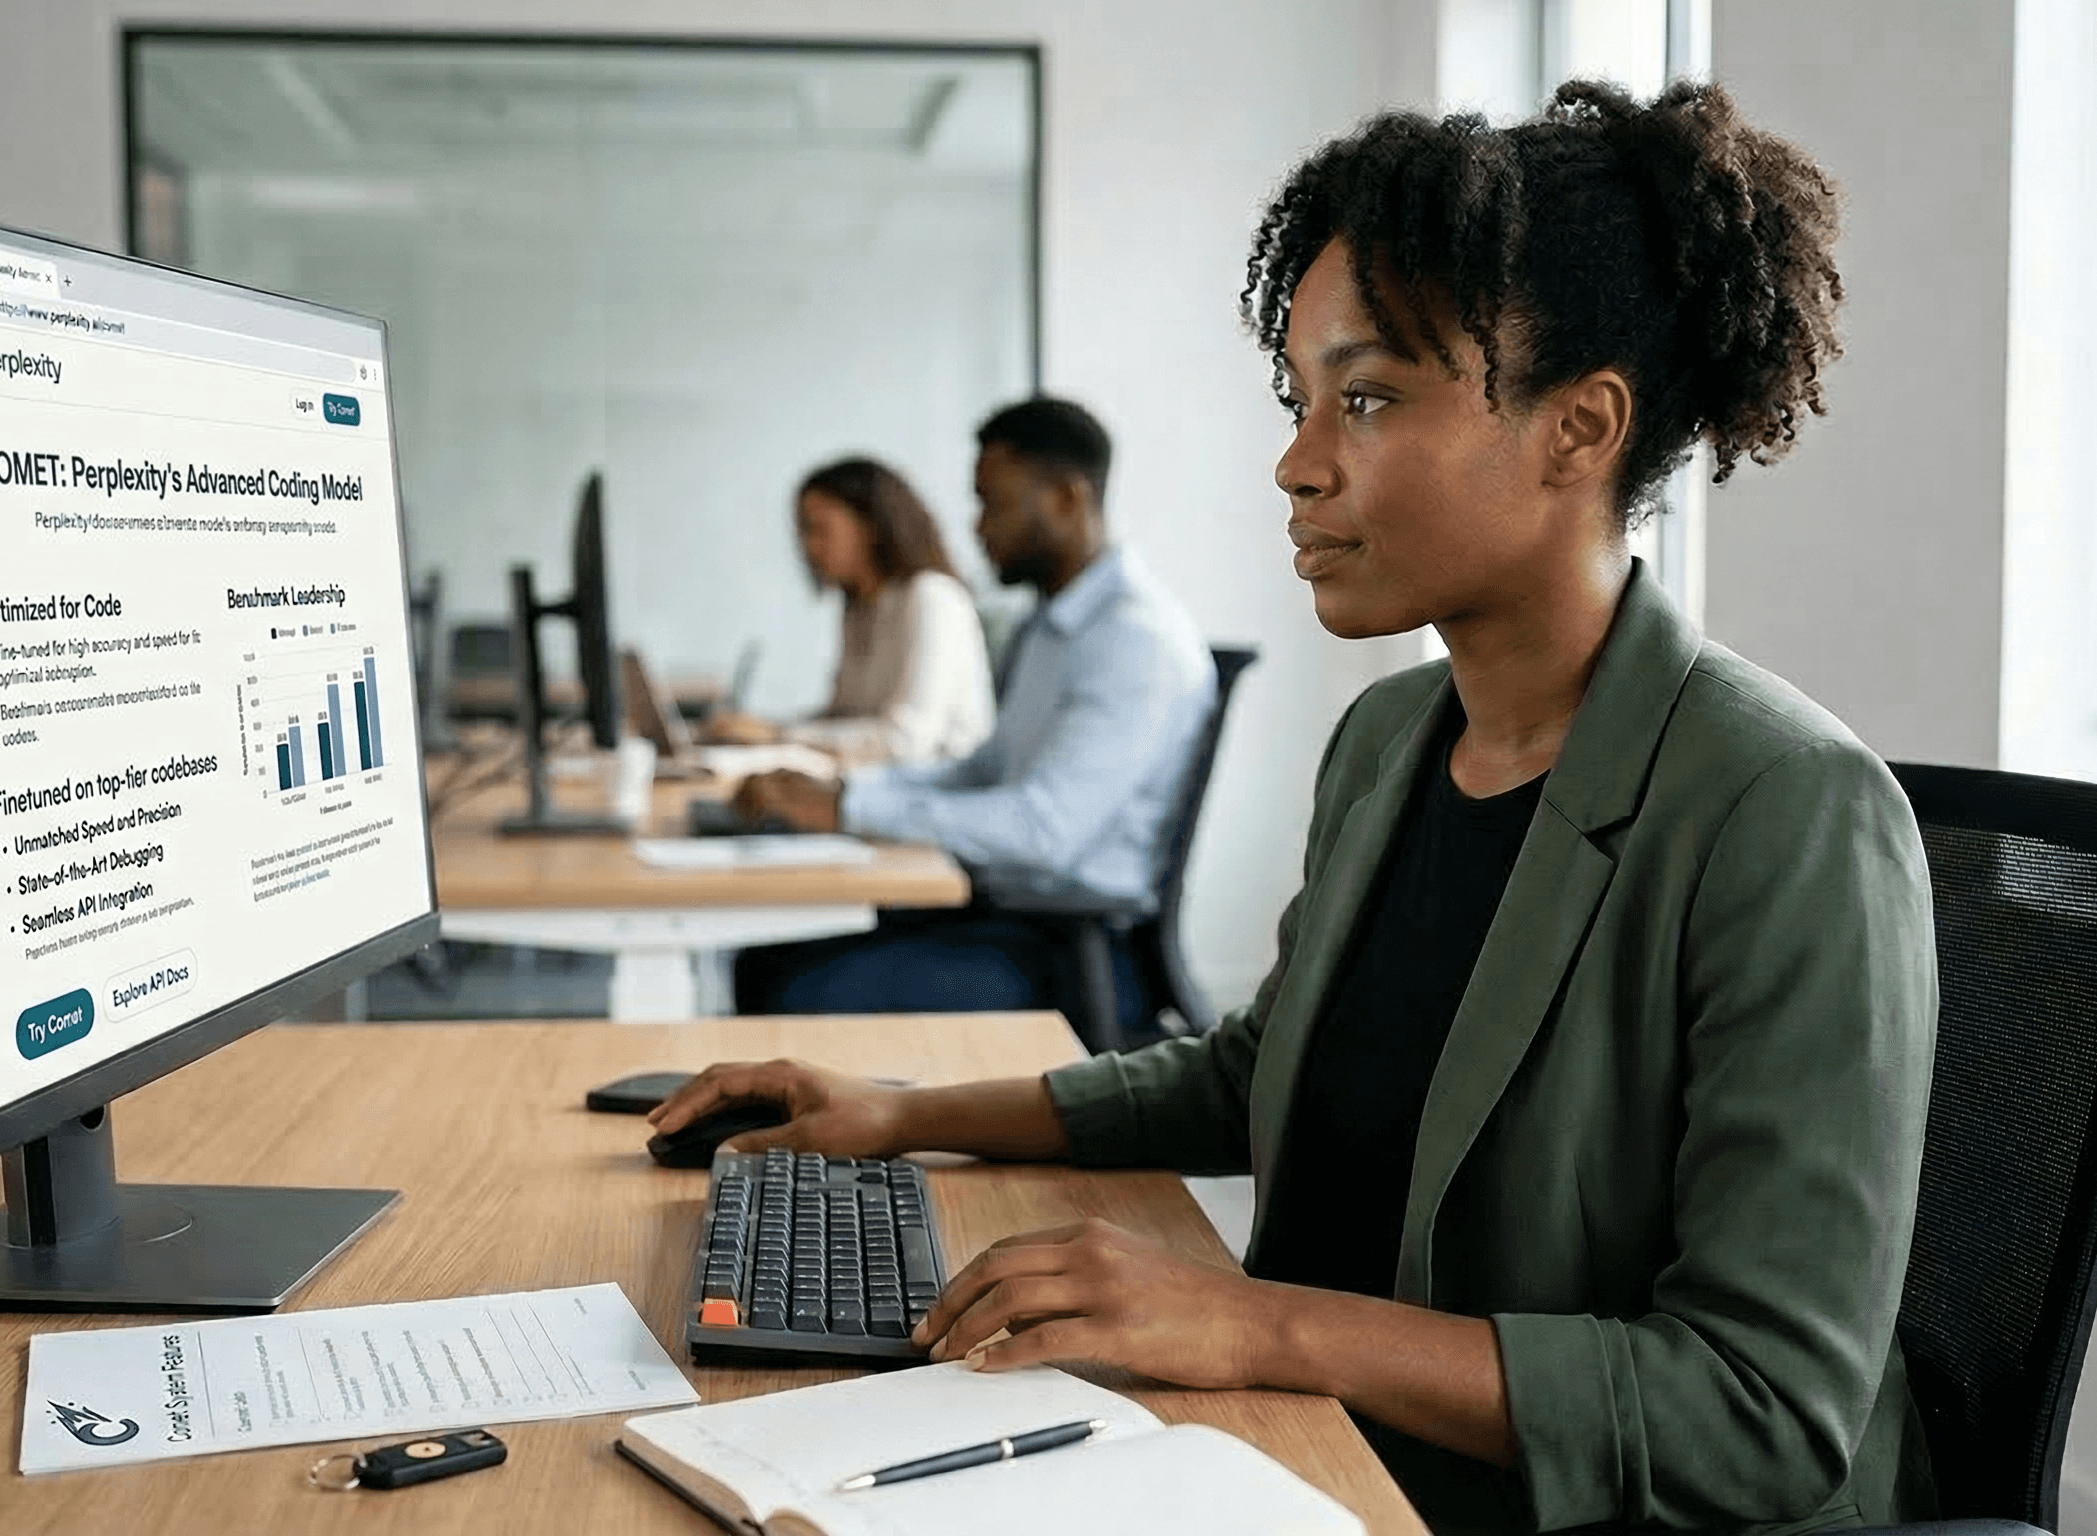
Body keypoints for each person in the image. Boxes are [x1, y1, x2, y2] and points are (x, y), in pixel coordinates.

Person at [656, 81, 1938, 1535]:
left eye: (1370, 397)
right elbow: (1252, 1075)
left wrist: (1258, 1326)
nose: (1298, 459)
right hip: (1310, 1445)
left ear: (1579, 432)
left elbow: (1761, 1412)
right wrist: (900, 1116)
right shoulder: (1392, 738)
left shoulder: (1789, 812)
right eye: (1302, 399)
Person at [726, 399, 1216, 1041]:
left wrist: (848, 812)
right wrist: (846, 794)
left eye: (993, 503)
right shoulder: (1050, 626)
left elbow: (1045, 828)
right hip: (1010, 915)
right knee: (761, 960)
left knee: (789, 986)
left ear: (1067, 500)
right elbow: (983, 769)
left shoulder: (1133, 640)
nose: (977, 528)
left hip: (1082, 953)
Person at [704, 457, 994, 766]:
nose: (809, 546)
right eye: (803, 531)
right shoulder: (859, 609)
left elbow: (905, 742)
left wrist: (778, 734)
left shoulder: (932, 597)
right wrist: (757, 729)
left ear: (870, 524)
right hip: (876, 788)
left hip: (931, 796)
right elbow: (845, 717)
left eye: (820, 529)